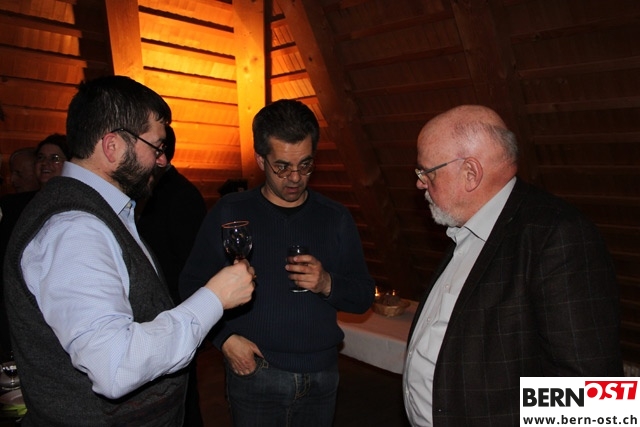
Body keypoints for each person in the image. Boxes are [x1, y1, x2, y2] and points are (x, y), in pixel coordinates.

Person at [4, 75, 255, 426]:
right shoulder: (74, 229)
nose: (162, 160)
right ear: (113, 146)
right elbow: (115, 365)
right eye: (156, 146)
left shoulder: (103, 210)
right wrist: (214, 298)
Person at [403, 105, 623, 426]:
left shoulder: (558, 234)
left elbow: (592, 391)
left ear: (471, 173)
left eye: (427, 172)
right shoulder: (465, 228)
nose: (421, 183)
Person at [180, 99, 375, 426]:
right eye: (282, 167)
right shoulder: (231, 212)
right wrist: (224, 339)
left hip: (322, 376)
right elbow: (190, 284)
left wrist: (327, 283)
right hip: (257, 374)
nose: (295, 177)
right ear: (261, 159)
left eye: (306, 164)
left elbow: (363, 297)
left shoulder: (335, 217)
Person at [137, 124, 208, 427]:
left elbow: (192, 265)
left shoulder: (182, 195)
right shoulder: (147, 191)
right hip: (156, 315)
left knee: (182, 401)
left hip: (174, 313)